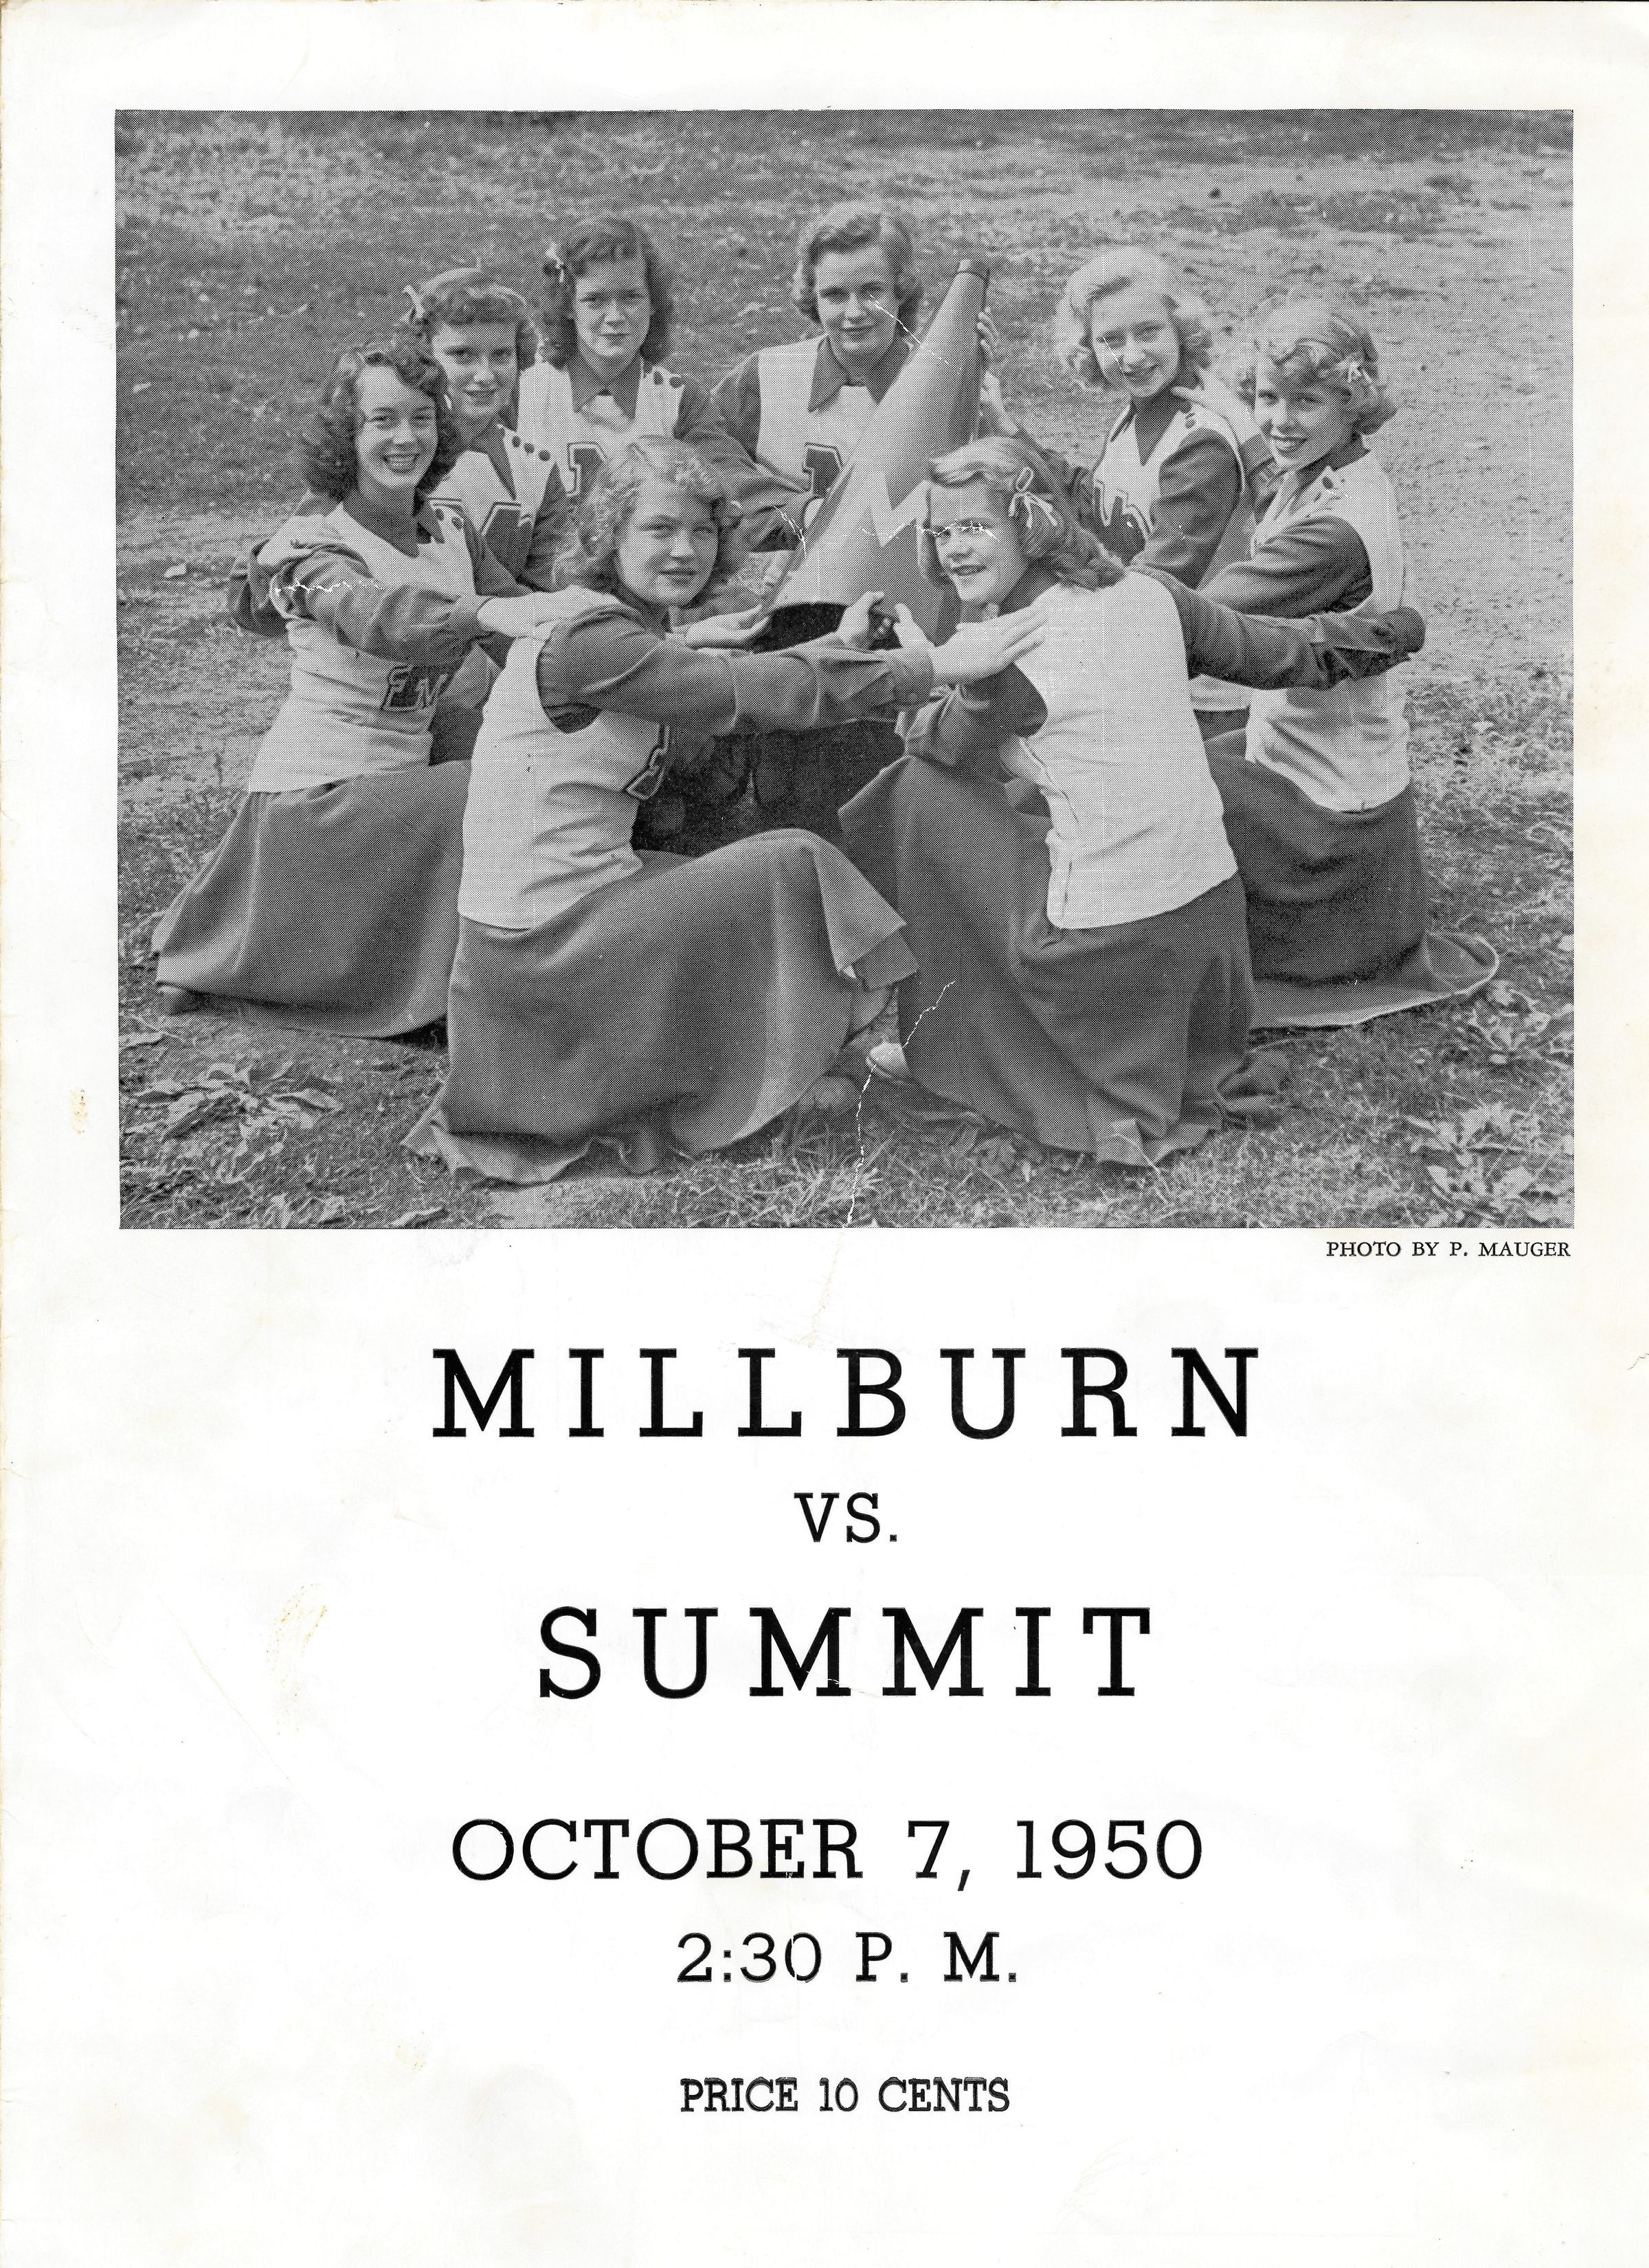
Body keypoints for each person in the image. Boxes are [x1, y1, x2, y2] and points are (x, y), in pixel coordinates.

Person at [404, 438, 1045, 1185]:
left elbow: (709, 677)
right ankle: (779, 1074)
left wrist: (831, 648)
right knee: (794, 862)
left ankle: (770, 1070)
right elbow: (736, 695)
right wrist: (927, 665)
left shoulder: (616, 630)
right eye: (660, 528)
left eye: (703, 530)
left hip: (548, 938)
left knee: (726, 877)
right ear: (609, 535)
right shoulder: (589, 639)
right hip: (541, 954)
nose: (686, 550)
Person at [840, 438, 1428, 1167]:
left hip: (1113, 963)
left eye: (976, 526)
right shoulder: (1151, 591)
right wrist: (1397, 631)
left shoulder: (1004, 657)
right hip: (1212, 945)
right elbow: (1286, 652)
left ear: (1031, 522)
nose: (954, 549)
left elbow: (936, 746)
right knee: (1053, 790)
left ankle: (943, 1041)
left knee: (917, 791)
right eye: (942, 531)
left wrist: (920, 668)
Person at [153, 336, 541, 1035]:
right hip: (315, 800)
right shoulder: (311, 544)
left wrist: (635, 642)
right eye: (382, 420)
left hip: (394, 789)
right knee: (471, 788)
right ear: (346, 435)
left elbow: (525, 631)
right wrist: (480, 613)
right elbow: (372, 615)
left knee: (509, 754)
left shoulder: (452, 530)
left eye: (422, 418)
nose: (406, 438)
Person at [1196, 301, 1496, 1022]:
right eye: (1267, 397)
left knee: (1157, 781)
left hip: (1331, 817)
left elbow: (1199, 620)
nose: (1280, 420)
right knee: (1184, 756)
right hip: (1300, 760)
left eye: (1306, 401)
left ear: (1351, 403)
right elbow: (1260, 481)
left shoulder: (1335, 528)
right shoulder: (1327, 471)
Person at [982, 245, 1272, 739]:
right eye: (1111, 340)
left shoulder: (1199, 442)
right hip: (1147, 660)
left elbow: (1162, 580)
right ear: (1088, 349)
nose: (1132, 356)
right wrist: (1007, 428)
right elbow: (1091, 503)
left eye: (1148, 332)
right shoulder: (1135, 417)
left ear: (1181, 329)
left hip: (1202, 693)